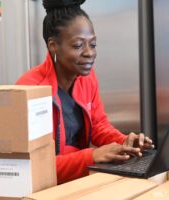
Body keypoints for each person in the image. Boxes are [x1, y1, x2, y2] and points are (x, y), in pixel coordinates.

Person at [16, 0, 154, 184]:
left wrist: (125, 142)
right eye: (78, 45)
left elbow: (98, 125)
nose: (89, 53)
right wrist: (92, 156)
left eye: (93, 44)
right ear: (53, 45)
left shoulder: (86, 76)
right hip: (46, 187)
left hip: (78, 180)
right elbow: (35, 166)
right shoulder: (29, 90)